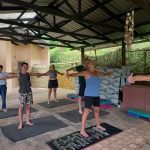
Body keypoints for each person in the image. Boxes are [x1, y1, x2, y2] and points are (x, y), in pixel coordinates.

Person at [66, 59, 112, 137]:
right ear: (88, 65)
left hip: (96, 95)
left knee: (97, 110)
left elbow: (104, 74)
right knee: (86, 112)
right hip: (89, 95)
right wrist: (69, 75)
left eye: (93, 63)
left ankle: (98, 125)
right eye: (91, 63)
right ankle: (82, 130)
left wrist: (108, 73)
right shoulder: (86, 72)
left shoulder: (96, 72)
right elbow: (76, 74)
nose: (93, 64)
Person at [0, 62, 40, 129]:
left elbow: (36, 74)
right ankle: (21, 123)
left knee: (28, 107)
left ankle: (27, 121)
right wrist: (1, 78)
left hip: (29, 93)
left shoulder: (28, 74)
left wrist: (44, 74)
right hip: (22, 93)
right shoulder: (19, 74)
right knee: (21, 109)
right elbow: (8, 77)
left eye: (27, 67)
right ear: (21, 67)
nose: (26, 68)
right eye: (24, 66)